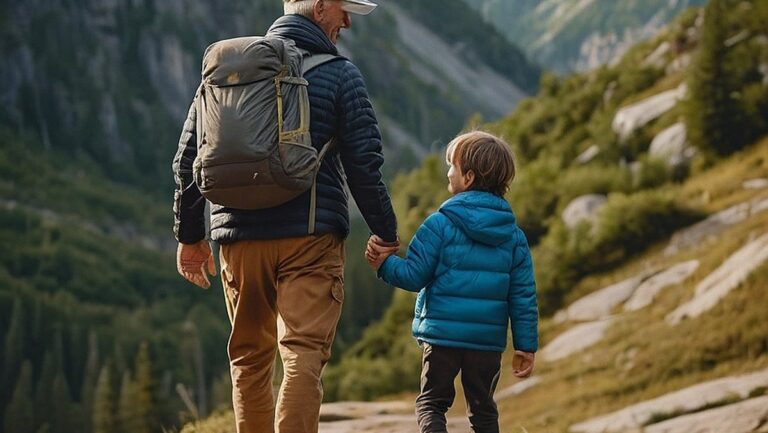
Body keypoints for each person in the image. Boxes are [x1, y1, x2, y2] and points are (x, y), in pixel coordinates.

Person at [172, 1, 399, 432]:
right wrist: (385, 233)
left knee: (249, 358)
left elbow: (188, 158)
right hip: (310, 239)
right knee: (303, 353)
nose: (347, 21)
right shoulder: (340, 74)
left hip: (237, 240)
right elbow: (364, 165)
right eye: (342, 9)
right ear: (317, 8)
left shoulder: (228, 72)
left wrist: (190, 236)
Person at [365, 131, 538, 433]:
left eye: (452, 166)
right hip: (486, 344)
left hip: (442, 337)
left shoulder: (439, 224)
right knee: (483, 411)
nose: (448, 171)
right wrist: (525, 346)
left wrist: (384, 264)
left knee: (432, 404)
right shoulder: (514, 238)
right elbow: (523, 297)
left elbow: (413, 276)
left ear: (468, 177)